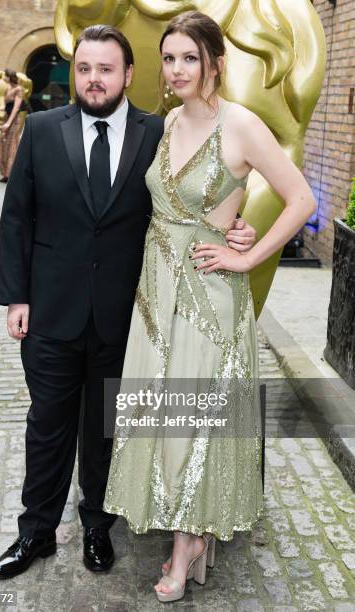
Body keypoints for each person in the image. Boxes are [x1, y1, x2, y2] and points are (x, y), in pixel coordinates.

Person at [0, 24, 256, 581]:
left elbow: (195, 194)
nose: (93, 79)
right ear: (74, 74)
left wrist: (237, 228)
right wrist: (15, 297)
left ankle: (96, 526)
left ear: (128, 74)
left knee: (107, 428)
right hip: (50, 312)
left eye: (106, 69)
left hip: (129, 316)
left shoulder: (158, 132)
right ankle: (34, 532)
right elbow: (16, 218)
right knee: (47, 425)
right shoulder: (40, 130)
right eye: (84, 69)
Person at [103, 11, 316, 603]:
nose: (176, 69)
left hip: (207, 296)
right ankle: (186, 533)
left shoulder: (241, 124)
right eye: (169, 58)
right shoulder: (169, 121)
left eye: (189, 58)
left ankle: (185, 545)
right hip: (155, 295)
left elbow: (300, 198)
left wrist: (247, 255)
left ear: (215, 63)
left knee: (194, 422)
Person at [0, 69, 25, 183]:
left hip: (13, 120)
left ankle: (10, 175)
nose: (3, 78)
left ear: (9, 77)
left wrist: (9, 122)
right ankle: (5, 173)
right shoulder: (8, 88)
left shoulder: (19, 89)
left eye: (5, 76)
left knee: (12, 145)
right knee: (3, 144)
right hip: (6, 118)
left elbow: (16, 107)